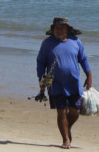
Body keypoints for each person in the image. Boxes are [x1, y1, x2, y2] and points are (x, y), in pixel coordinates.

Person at [36, 17, 92, 150]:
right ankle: (66, 139)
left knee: (75, 112)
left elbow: (83, 59)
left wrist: (89, 76)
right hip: (55, 84)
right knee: (61, 113)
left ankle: (67, 127)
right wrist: (41, 80)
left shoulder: (75, 41)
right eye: (57, 27)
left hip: (74, 83)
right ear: (53, 29)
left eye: (62, 27)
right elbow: (40, 63)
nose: (59, 29)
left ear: (67, 29)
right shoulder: (47, 43)